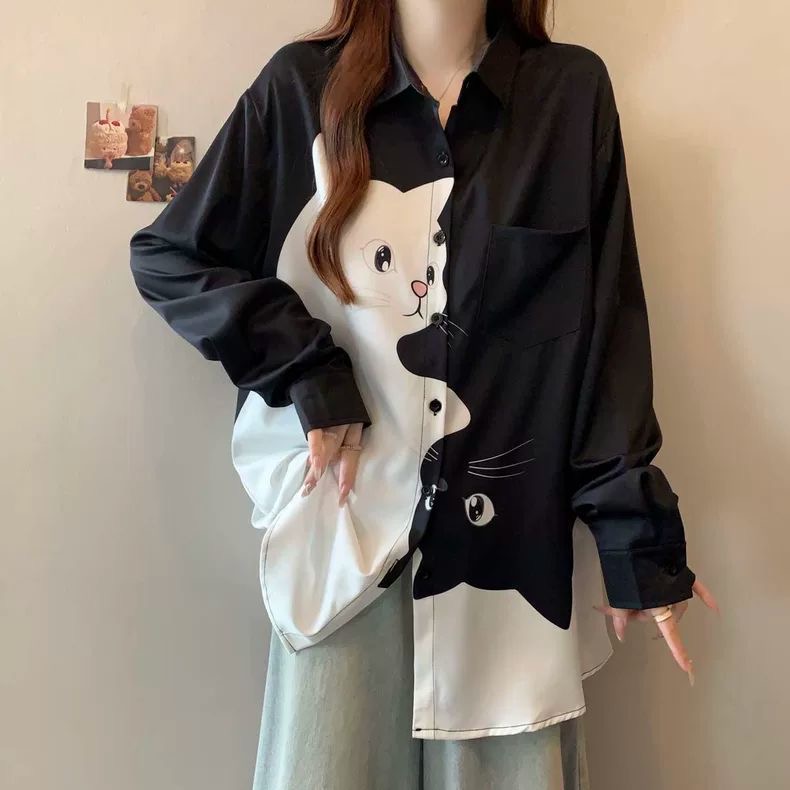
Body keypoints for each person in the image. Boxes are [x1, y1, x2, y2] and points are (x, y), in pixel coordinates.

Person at [129, 1, 720, 787]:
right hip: (346, 553)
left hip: (509, 576)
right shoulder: (300, 89)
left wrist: (633, 538)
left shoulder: (568, 96)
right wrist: (308, 370)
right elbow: (173, 257)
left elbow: (604, 336)